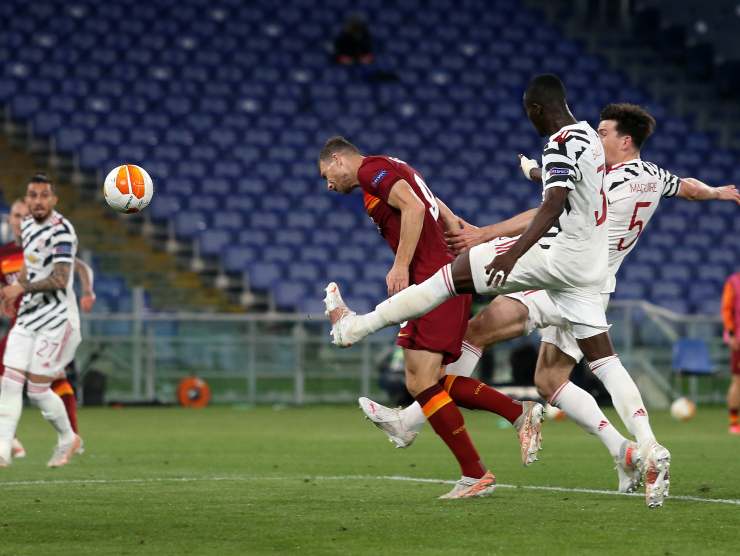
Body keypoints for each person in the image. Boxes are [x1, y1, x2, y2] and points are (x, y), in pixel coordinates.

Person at [325, 74, 672, 508]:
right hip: (591, 270)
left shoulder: (561, 142)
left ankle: (355, 328)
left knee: (448, 279)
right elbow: (568, 184)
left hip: (555, 255)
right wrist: (533, 171)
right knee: (604, 360)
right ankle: (648, 447)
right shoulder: (588, 136)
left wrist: (510, 254)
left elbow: (552, 204)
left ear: (535, 112)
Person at [358, 103, 740, 495]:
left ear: (625, 141)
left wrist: (486, 233)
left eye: (605, 133)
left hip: (560, 276)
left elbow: (552, 207)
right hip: (597, 289)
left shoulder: (604, 181)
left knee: (476, 331)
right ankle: (626, 450)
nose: (598, 137)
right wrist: (720, 192)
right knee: (551, 379)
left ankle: (410, 415)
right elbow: (690, 187)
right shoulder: (655, 176)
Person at [319, 137, 544, 499]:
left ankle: (477, 467)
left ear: (337, 158)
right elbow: (431, 201)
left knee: (421, 380)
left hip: (434, 285)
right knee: (429, 379)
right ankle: (512, 417)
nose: (328, 183)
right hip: (443, 281)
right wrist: (455, 224)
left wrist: (401, 264)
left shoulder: (372, 170)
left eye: (326, 173)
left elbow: (415, 207)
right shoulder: (390, 166)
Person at [0, 175, 83, 467]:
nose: (37, 201)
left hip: (56, 319)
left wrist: (20, 288)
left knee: (37, 390)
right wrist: (14, 291)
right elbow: (29, 265)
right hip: (28, 316)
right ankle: (2, 449)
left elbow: (61, 279)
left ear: (53, 200)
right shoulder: (28, 226)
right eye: (32, 195)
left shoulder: (62, 232)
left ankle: (67, 437)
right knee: (9, 381)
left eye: (43, 195)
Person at [722, 271, 740, 434]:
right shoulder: (734, 282)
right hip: (739, 340)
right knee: (737, 381)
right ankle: (734, 423)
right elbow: (727, 309)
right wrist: (732, 334)